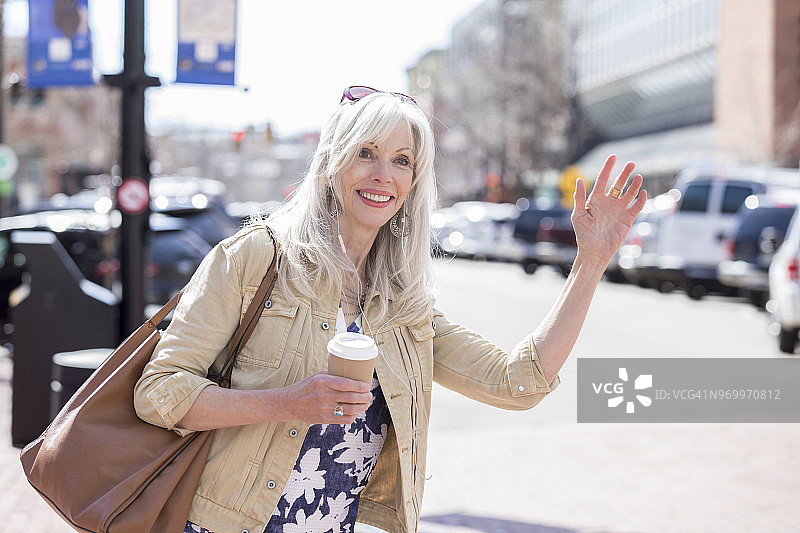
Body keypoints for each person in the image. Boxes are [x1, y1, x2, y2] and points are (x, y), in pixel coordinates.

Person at [134, 85, 646, 533]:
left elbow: (518, 383)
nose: (384, 175)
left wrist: (591, 262)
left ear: (413, 184)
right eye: (367, 153)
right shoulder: (256, 258)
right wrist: (287, 403)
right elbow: (160, 392)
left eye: (402, 161)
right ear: (333, 163)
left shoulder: (401, 304)